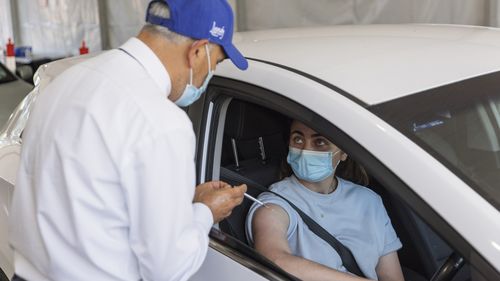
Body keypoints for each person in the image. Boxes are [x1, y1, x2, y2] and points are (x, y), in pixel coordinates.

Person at [8, 0, 248, 280]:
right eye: (216, 62)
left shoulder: (65, 81)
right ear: (196, 52)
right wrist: (205, 212)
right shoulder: (160, 121)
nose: (210, 74)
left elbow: (86, 194)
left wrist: (181, 203)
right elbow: (167, 267)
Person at [245, 120, 405, 281]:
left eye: (319, 142)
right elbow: (275, 260)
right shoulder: (273, 204)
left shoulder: (370, 201)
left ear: (343, 153)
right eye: (298, 139)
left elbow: (391, 276)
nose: (305, 150)